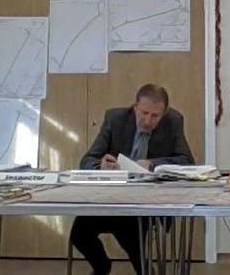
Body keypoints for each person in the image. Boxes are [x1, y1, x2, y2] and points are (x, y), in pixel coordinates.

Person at [70, 84, 194, 275]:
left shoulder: (173, 121)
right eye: (144, 113)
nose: (148, 120)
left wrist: (153, 164)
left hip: (144, 203)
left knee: (133, 241)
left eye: (155, 116)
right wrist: (101, 166)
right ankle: (102, 266)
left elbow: (186, 162)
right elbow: (86, 160)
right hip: (109, 199)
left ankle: (144, 269)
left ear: (164, 113)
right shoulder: (115, 119)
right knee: (79, 234)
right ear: (135, 107)